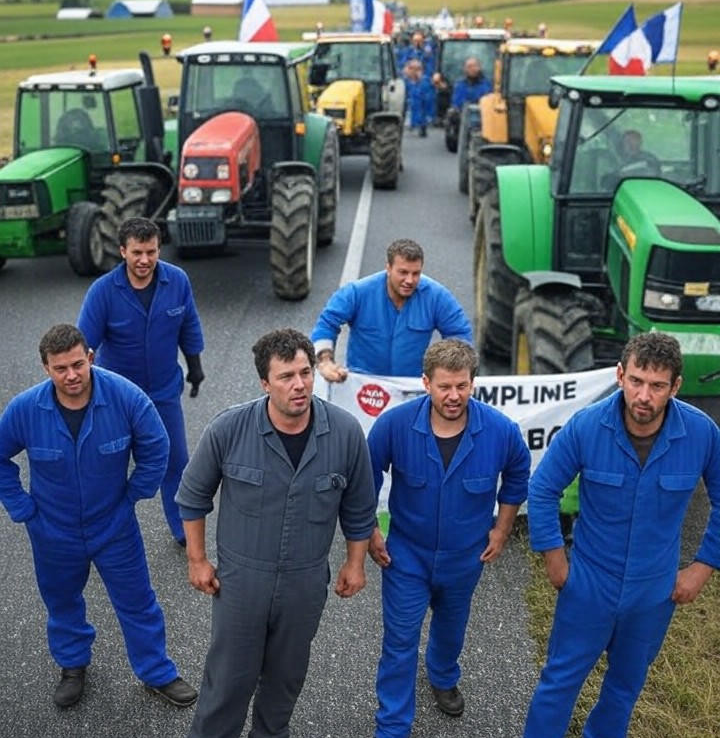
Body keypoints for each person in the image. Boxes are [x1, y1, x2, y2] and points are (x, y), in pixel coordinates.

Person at [176, 327, 376, 738]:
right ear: (265, 383)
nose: (299, 384)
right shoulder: (229, 430)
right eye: (286, 376)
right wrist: (197, 560)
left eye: (305, 372)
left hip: (304, 582)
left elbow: (359, 509)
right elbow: (193, 497)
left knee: (285, 681)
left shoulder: (345, 433)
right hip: (242, 582)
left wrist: (355, 564)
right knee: (228, 682)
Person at [522, 331, 720, 738]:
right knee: (559, 682)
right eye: (636, 381)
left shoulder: (702, 434)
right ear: (620, 375)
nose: (644, 395)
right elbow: (542, 489)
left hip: (653, 591)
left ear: (675, 387)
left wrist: (702, 567)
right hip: (590, 583)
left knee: (624, 689)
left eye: (657, 385)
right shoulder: (587, 426)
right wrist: (555, 560)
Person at [0, 324, 197, 709]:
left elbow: (157, 447)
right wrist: (22, 508)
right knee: (62, 601)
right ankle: (73, 666)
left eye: (78, 364)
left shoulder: (125, 397)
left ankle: (156, 671)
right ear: (46, 368)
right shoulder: (25, 410)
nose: (71, 375)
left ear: (89, 357)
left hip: (114, 526)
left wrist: (135, 494)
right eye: (61, 369)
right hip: (52, 532)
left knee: (138, 601)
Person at [367, 339, 530, 736]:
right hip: (406, 554)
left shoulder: (500, 431)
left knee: (452, 625)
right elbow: (364, 480)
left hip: (465, 556)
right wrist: (370, 532)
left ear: (473, 382)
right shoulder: (394, 425)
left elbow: (518, 475)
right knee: (400, 639)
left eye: (462, 385)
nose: (453, 395)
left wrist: (503, 528)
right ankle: (392, 724)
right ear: (426, 383)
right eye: (444, 386)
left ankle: (442, 675)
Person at [78, 217, 205, 546]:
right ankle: (98, 527)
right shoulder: (103, 292)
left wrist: (195, 366)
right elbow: (84, 346)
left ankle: (182, 529)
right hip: (116, 398)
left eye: (151, 252)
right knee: (107, 465)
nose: (145, 260)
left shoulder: (177, 281)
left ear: (159, 249)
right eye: (137, 252)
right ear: (123, 251)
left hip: (163, 392)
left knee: (175, 460)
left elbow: (188, 324)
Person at [310, 238, 472, 383]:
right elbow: (327, 323)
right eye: (403, 272)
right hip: (364, 387)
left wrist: (449, 372)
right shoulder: (357, 292)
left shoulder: (436, 296)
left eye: (416, 274)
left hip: (411, 388)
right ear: (388, 268)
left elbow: (459, 334)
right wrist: (325, 361)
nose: (409, 280)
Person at [403, 59, 435, 137]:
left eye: (417, 69)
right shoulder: (401, 83)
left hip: (420, 124)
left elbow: (429, 102)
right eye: (411, 68)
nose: (414, 71)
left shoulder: (426, 83)